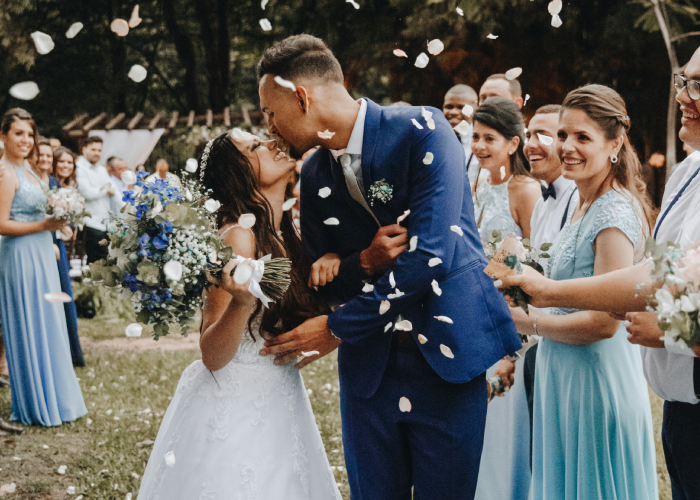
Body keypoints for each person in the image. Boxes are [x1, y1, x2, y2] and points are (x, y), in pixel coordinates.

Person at [256, 34, 521, 499]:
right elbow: (324, 282)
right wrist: (362, 261)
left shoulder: (423, 128)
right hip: (369, 371)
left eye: (270, 112)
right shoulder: (314, 173)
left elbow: (431, 255)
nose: (269, 126)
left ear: (301, 97)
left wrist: (337, 328)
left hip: (449, 355)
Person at [500, 47, 700, 500]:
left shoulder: (614, 211)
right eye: (563, 135)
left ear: (614, 145)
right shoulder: (684, 172)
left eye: (582, 137)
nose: (565, 147)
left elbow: (606, 322)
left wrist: (533, 314)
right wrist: (534, 286)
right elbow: (660, 269)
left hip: (596, 381)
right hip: (659, 405)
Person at [137, 130, 342, 499]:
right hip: (236, 402)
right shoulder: (237, 237)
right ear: (239, 174)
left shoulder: (286, 231)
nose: (274, 144)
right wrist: (242, 303)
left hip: (279, 393)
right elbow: (212, 355)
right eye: (255, 147)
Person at [470, 96, 541, 500]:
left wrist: (515, 343)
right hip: (473, 317)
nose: (479, 145)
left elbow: (537, 262)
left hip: (509, 322)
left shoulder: (525, 190)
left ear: (514, 143)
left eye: (489, 138)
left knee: (503, 430)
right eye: (476, 136)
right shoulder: (478, 185)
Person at [0, 108, 87, 426]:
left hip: (42, 254)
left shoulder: (31, 170)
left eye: (29, 134)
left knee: (49, 324)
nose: (26, 140)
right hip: (20, 257)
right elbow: (1, 224)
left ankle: (57, 399)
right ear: (3, 136)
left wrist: (60, 218)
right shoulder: (5, 172)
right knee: (30, 325)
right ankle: (36, 403)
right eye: (18, 133)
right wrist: (43, 226)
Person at [520, 104, 579, 455]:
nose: (531, 144)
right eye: (528, 134)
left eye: (542, 135)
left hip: (569, 348)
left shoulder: (579, 199)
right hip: (539, 346)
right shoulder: (543, 201)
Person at [49, 147, 84, 368]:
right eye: (61, 162)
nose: (65, 166)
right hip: (50, 243)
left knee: (64, 294)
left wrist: (69, 228)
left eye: (69, 163)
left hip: (61, 245)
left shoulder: (70, 189)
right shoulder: (49, 186)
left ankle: (70, 351)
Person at [76, 136, 114, 263]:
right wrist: (105, 190)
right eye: (93, 149)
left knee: (103, 259)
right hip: (89, 223)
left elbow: (113, 190)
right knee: (94, 261)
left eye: (99, 150)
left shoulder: (101, 170)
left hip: (104, 223)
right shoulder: (79, 168)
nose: (97, 153)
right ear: (84, 149)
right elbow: (86, 192)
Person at [443, 84, 480, 186]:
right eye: (449, 107)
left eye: (461, 107)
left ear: (475, 110)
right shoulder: (434, 139)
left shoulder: (483, 143)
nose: (453, 112)